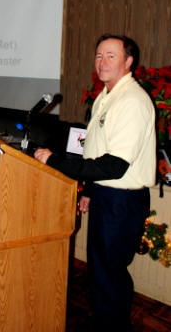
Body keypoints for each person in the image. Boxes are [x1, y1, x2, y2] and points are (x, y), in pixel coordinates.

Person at [34, 34, 156, 331]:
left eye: (111, 56)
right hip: (106, 195)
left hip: (121, 201)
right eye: (99, 55)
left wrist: (55, 160)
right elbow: (97, 148)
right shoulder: (107, 94)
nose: (102, 62)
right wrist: (90, 190)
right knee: (101, 272)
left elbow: (113, 165)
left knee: (109, 274)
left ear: (128, 62)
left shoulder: (132, 102)